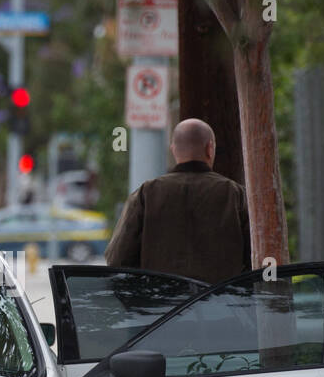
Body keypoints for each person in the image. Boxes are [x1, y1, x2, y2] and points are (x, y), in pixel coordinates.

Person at [103, 118, 250, 284]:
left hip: (160, 299)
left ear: (174, 150)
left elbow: (117, 260)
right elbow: (255, 260)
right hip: (221, 299)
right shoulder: (235, 194)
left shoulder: (147, 193)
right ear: (210, 148)